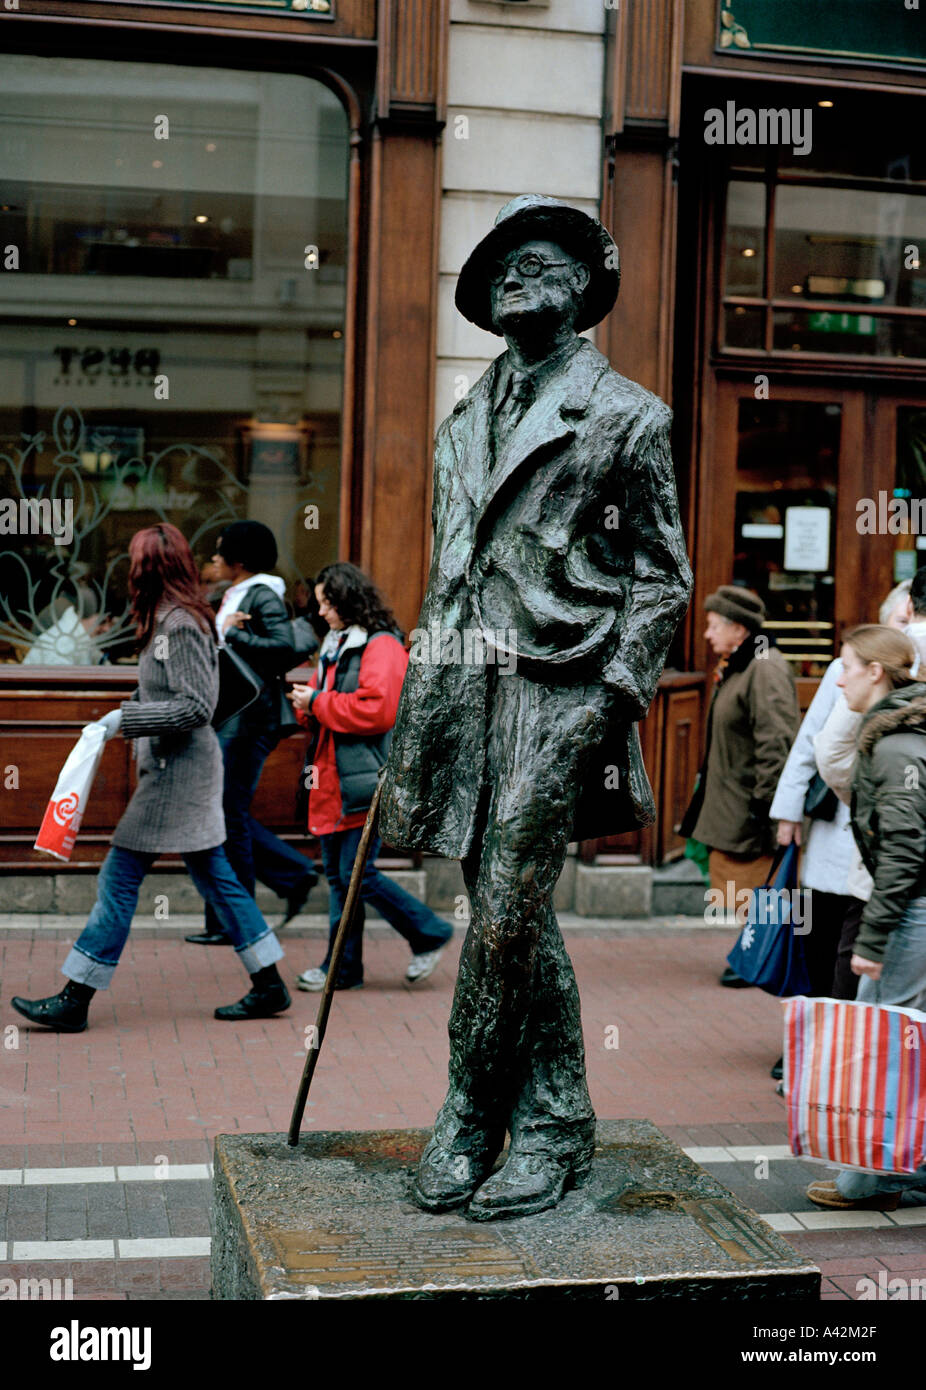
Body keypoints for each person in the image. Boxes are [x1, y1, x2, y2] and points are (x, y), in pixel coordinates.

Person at [378, 194, 692, 1219]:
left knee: (504, 907)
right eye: (501, 264)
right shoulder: (463, 417)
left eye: (538, 259)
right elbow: (447, 569)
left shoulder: (627, 415)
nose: (516, 274)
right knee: (514, 916)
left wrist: (614, 693)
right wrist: (418, 695)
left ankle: (470, 1113)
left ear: (581, 286)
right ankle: (555, 1117)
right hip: (461, 685)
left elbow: (662, 577)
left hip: (559, 687)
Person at [10, 523, 291, 1031]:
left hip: (176, 774)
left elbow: (195, 707)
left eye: (134, 563)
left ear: (148, 569)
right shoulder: (177, 617)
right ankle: (268, 983)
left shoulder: (177, 623)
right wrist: (126, 716)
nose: (127, 572)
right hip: (182, 768)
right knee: (218, 878)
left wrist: (123, 720)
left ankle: (76, 997)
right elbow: (175, 697)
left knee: (119, 878)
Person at [806, 625, 926, 1210]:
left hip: (910, 915)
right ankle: (897, 1172)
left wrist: (873, 941)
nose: (840, 678)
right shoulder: (895, 735)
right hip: (912, 911)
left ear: (876, 672)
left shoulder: (897, 746)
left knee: (888, 1045)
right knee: (903, 1042)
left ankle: (869, 1181)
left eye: (847, 667)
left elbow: (903, 855)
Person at [290, 562, 453, 991]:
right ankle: (344, 968)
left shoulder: (380, 646)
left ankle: (428, 932)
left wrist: (317, 702)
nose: (321, 612)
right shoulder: (339, 642)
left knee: (355, 876)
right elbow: (324, 700)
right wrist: (309, 704)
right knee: (343, 878)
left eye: (327, 603)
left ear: (348, 602)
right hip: (334, 782)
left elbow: (376, 711)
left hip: (360, 781)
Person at [185, 521, 318, 947]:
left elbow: (281, 648)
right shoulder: (233, 594)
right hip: (230, 718)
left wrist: (238, 635)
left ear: (239, 561)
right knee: (223, 814)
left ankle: (233, 921)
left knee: (225, 815)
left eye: (219, 553)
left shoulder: (261, 593)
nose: (213, 560)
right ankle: (287, 879)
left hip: (250, 720)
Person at [680, 586, 800, 983]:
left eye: (714, 626)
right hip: (730, 799)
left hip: (749, 805)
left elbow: (776, 741)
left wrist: (764, 805)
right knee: (736, 883)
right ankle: (754, 955)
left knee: (752, 885)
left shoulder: (764, 667)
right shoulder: (742, 662)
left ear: (739, 628)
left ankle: (759, 960)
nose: (707, 634)